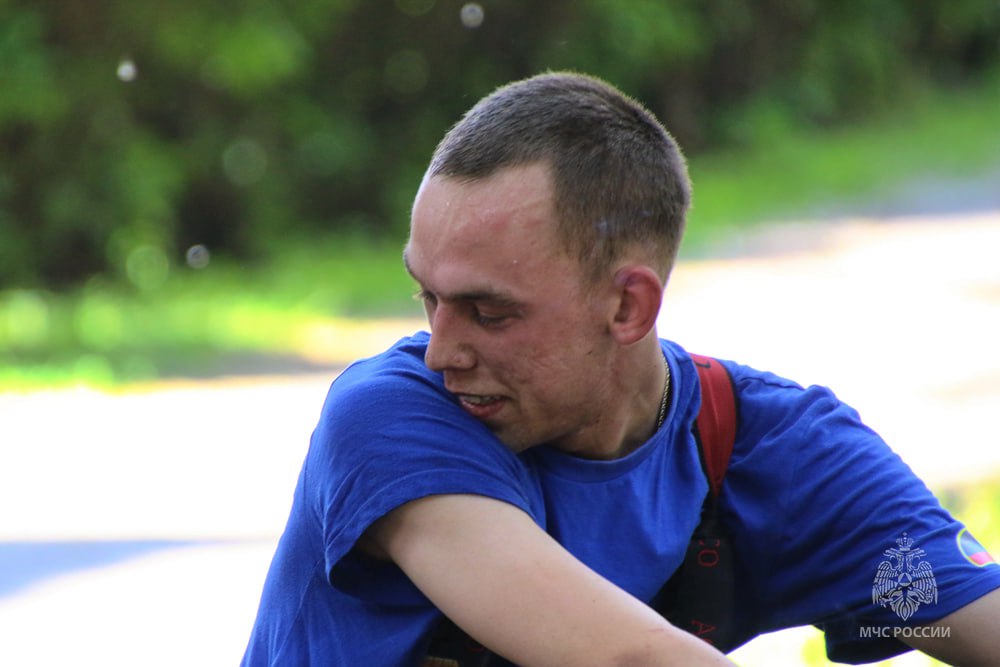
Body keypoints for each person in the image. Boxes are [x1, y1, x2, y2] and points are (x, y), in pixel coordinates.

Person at [242, 72, 1000, 666]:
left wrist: (895, 598)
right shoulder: (389, 418)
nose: (442, 349)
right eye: (427, 296)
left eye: (489, 311)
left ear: (629, 307)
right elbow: (627, 655)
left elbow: (953, 613)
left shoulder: (783, 454)